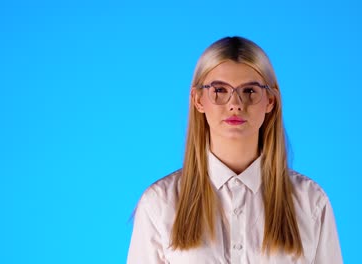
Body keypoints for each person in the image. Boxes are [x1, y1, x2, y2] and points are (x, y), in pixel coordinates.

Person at [127, 36, 343, 264]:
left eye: (249, 91)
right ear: (198, 99)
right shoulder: (160, 204)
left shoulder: (310, 202)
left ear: (270, 100)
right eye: (219, 90)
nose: (235, 104)